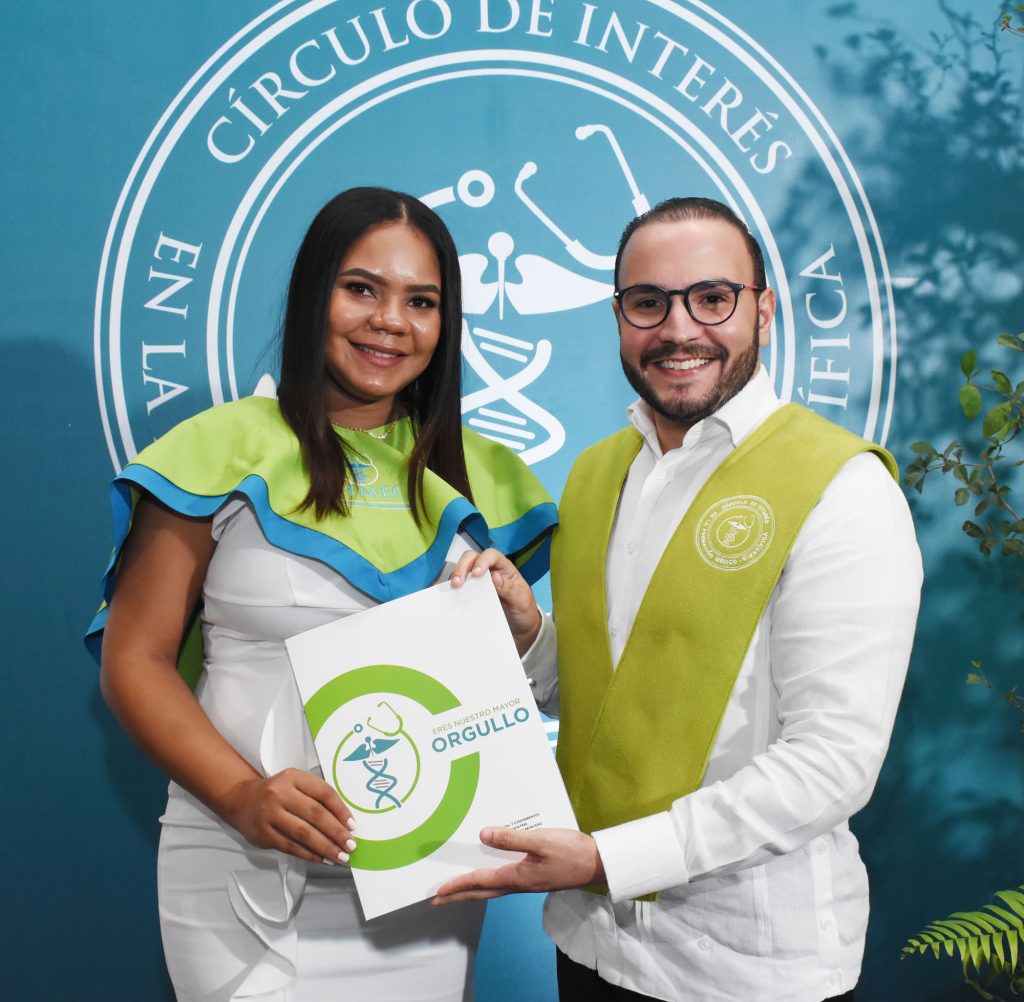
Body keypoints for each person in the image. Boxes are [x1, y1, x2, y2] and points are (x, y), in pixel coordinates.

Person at [437, 197, 923, 1002]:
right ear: (618, 316)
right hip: (591, 942)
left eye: (712, 298)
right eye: (648, 303)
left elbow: (833, 761)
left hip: (744, 966)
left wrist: (609, 858)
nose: (679, 328)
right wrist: (530, 637)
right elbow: (617, 689)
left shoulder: (843, 489)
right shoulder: (598, 472)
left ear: (763, 311)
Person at [88, 187, 557, 1002]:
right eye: (361, 289)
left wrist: (525, 631)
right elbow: (134, 659)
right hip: (238, 862)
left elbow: (524, 689)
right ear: (315, 294)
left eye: (421, 301)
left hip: (427, 878)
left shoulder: (483, 477)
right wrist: (241, 795)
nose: (390, 321)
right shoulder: (218, 450)